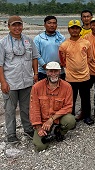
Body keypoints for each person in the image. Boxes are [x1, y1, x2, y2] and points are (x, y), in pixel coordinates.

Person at [0, 15, 39, 143]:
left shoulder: (28, 40)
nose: (17, 28)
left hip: (27, 81)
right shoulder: (3, 43)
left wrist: (36, 73)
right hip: (11, 82)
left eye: (19, 25)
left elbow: (34, 57)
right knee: (10, 109)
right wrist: (3, 82)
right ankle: (11, 134)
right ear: (8, 27)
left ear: (22, 25)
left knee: (26, 108)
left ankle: (28, 129)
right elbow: (0, 64)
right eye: (14, 25)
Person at [29, 62, 76, 152]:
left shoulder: (67, 87)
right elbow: (34, 108)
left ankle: (59, 131)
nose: (53, 74)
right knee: (40, 147)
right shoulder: (36, 87)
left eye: (56, 71)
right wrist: (39, 128)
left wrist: (51, 119)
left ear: (60, 72)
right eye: (51, 71)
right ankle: (49, 134)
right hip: (43, 122)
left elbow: (68, 107)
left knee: (70, 120)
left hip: (58, 119)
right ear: (46, 72)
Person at [59, 20, 94, 125]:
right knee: (71, 99)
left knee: (86, 98)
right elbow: (63, 61)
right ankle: (71, 118)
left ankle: (87, 116)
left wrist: (81, 67)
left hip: (85, 76)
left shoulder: (86, 43)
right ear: (68, 30)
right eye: (72, 28)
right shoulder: (64, 45)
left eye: (77, 28)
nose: (75, 30)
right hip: (70, 77)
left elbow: (89, 57)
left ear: (80, 29)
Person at [34, 16, 66, 80]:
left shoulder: (61, 38)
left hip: (59, 70)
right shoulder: (38, 38)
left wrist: (61, 64)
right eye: (49, 23)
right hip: (43, 72)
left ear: (56, 25)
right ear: (44, 24)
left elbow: (65, 53)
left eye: (54, 23)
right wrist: (45, 66)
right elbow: (36, 55)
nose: (52, 25)